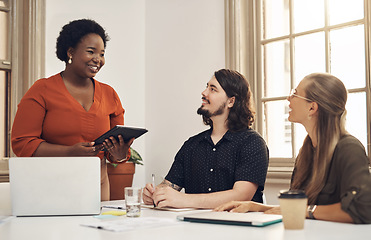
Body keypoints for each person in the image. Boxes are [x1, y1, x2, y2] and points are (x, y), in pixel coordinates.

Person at [215, 73, 371, 224]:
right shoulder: (307, 150)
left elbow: (361, 209)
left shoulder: (349, 149)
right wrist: (256, 207)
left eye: (295, 94)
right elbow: (304, 209)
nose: (288, 99)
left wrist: (306, 211)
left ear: (312, 108)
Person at [11, 19, 134, 201]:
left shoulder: (110, 94)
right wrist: (69, 151)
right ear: (70, 52)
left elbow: (116, 151)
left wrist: (119, 154)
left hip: (97, 190)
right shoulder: (42, 90)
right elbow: (22, 143)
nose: (98, 60)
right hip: (50, 188)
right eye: (91, 52)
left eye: (101, 54)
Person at [142, 69, 269, 209]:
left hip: (238, 228)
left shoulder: (252, 143)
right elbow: (169, 186)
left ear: (231, 101)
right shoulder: (191, 145)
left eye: (213, 89)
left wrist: (183, 200)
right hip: (194, 228)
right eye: (207, 87)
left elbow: (241, 196)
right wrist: (155, 194)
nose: (204, 92)